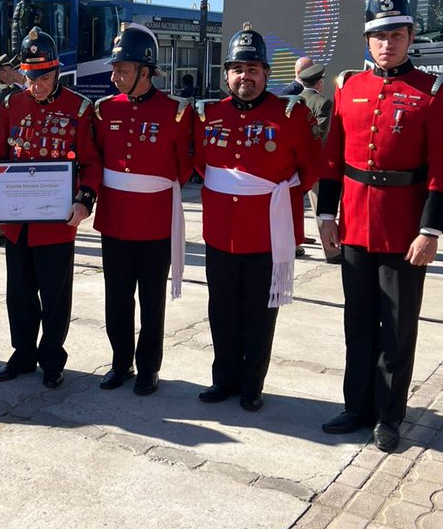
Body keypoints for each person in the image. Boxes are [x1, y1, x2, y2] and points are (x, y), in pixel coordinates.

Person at [317, 0, 443, 452]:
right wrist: (325, 215)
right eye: (379, 35)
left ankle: (388, 415)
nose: (387, 43)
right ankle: (355, 406)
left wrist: (430, 229)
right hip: (355, 223)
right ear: (367, 39)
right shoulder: (347, 86)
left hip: (404, 231)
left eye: (396, 34)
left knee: (397, 329)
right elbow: (333, 159)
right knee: (356, 324)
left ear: (410, 35)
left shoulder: (435, 90)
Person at [194, 23, 322, 411]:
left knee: (259, 314)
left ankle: (252, 385)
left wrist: (276, 199)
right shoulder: (207, 114)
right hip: (220, 233)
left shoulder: (290, 114)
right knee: (221, 311)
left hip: (267, 233)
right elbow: (201, 166)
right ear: (227, 75)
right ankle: (224, 380)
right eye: (237, 69)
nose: (244, 77)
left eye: (252, 69)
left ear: (266, 74)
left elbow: (311, 169)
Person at [0, 27, 102, 388]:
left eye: (43, 77)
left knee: (55, 295)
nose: (36, 85)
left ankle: (52, 359)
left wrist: (84, 201)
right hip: (16, 222)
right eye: (30, 77)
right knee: (19, 293)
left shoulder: (78, 108)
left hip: (56, 222)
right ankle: (22, 354)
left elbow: (91, 164)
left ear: (57, 72)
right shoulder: (13, 105)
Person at [93, 24, 193, 395]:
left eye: (122, 69)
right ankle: (121, 362)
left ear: (145, 71)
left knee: (151, 301)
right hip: (115, 219)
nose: (114, 76)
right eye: (114, 69)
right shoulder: (103, 111)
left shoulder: (177, 113)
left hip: (155, 222)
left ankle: (148, 368)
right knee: (116, 298)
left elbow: (184, 168)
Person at [294, 62, 340, 263]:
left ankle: (292, 244)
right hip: (315, 164)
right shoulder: (323, 103)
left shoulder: (293, 100)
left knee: (290, 206)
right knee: (322, 208)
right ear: (320, 82)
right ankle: (331, 251)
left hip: (293, 162)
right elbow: (321, 134)